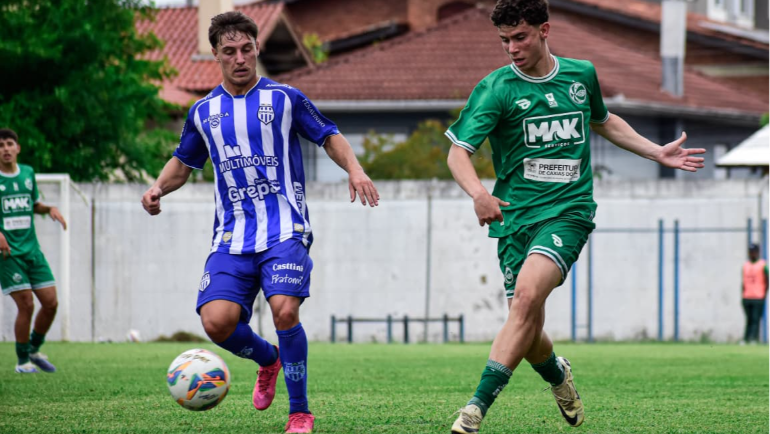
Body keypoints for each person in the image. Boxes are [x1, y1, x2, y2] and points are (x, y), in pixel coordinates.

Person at [444, 1, 706, 432]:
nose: (512, 48)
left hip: (569, 211)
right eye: (505, 40)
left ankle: (474, 410)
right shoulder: (496, 89)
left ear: (544, 30)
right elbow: (458, 154)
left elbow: (603, 120)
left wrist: (655, 151)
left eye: (520, 37)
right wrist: (479, 194)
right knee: (526, 327)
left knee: (525, 300)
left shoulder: (581, 75)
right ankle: (557, 374)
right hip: (513, 219)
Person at [141, 11, 378, 434]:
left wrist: (355, 170)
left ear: (256, 49)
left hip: (285, 228)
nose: (239, 58)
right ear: (215, 54)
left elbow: (329, 134)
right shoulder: (203, 111)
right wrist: (158, 187)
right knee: (216, 323)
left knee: (284, 310)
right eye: (229, 51)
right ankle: (268, 360)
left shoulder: (285, 98)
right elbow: (183, 162)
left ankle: (299, 412)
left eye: (246, 49)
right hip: (231, 236)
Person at [0, 128, 68, 374]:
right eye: (0, 145)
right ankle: (22, 361)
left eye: (9, 144)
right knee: (26, 304)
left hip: (32, 251)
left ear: (17, 148)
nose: (5, 149)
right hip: (8, 254)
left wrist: (49, 209)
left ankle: (34, 349)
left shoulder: (27, 173)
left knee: (50, 303)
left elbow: (33, 204)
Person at [741, 243, 767, 344]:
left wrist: (764, 294)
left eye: (754, 252)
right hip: (747, 297)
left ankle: (753, 339)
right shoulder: (745, 265)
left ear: (758, 252)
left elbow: (767, 279)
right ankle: (746, 338)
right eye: (750, 252)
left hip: (758, 297)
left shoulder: (763, 265)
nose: (752, 254)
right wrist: (742, 295)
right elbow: (743, 282)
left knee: (755, 319)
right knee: (749, 319)